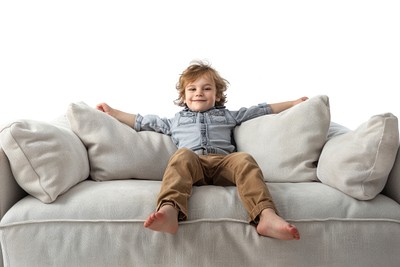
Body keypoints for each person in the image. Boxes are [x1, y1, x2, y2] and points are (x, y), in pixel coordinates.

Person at [97, 60, 307, 240]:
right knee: (181, 155)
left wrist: (294, 103)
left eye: (206, 88)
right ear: (184, 95)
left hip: (223, 164)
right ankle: (169, 210)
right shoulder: (175, 121)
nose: (199, 93)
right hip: (193, 165)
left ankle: (266, 215)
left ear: (216, 95)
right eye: (192, 89)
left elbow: (261, 110)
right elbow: (142, 121)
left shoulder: (228, 116)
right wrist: (113, 112)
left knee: (244, 159)